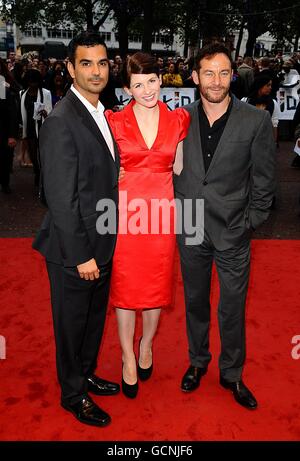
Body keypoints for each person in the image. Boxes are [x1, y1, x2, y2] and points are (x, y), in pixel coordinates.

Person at [174, 43, 276, 409]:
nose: (216, 81)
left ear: (232, 74)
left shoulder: (256, 120)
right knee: (195, 301)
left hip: (233, 230)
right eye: (208, 72)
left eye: (222, 72)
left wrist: (250, 222)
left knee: (232, 307)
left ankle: (231, 373)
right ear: (194, 76)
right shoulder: (179, 119)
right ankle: (197, 362)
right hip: (189, 226)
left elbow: (265, 180)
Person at [32, 32, 120, 427]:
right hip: (75, 251)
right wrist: (82, 254)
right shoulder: (61, 121)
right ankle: (72, 395)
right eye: (86, 63)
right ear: (70, 68)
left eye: (102, 63)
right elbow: (61, 198)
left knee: (91, 321)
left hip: (101, 242)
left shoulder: (100, 111)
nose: (96, 71)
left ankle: (85, 375)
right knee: (71, 326)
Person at [105, 52, 190, 398]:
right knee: (125, 292)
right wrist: (113, 175)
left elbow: (181, 169)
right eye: (137, 84)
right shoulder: (113, 122)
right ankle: (127, 357)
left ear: (162, 80)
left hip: (160, 216)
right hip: (125, 216)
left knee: (156, 289)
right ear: (127, 89)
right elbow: (100, 166)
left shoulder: (179, 120)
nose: (147, 90)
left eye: (152, 81)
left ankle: (146, 345)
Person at [19, 69, 53, 187]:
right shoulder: (22, 94)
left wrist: (45, 113)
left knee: (43, 154)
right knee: (33, 154)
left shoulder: (46, 93)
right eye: (30, 82)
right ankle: (37, 172)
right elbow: (21, 113)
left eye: (35, 82)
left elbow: (50, 111)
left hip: (42, 127)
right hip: (29, 128)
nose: (33, 85)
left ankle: (43, 175)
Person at [241, 76, 280, 140]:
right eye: (268, 85)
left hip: (264, 138)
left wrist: (274, 143)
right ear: (260, 86)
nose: (270, 88)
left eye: (270, 85)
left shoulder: (273, 103)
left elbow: (274, 124)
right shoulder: (245, 101)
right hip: (247, 138)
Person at [0, 58, 18, 193]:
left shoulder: (3, 88)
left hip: (3, 131)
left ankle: (5, 183)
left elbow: (11, 112)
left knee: (4, 160)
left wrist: (12, 135)